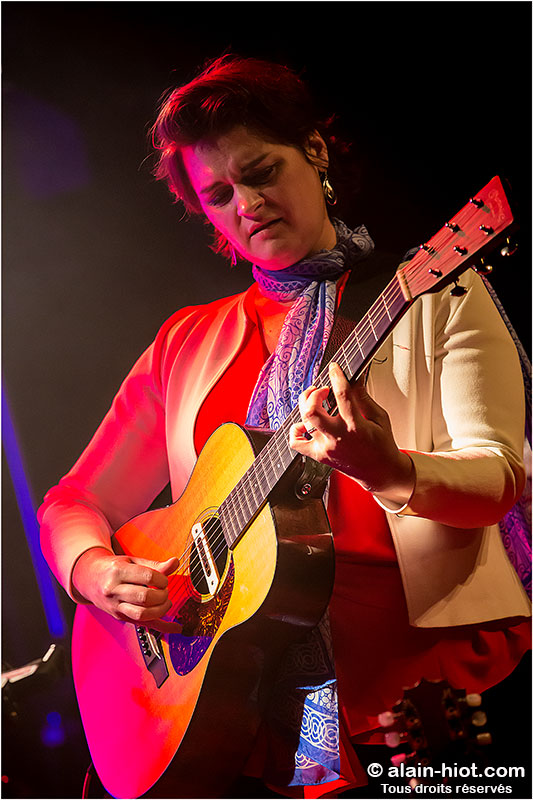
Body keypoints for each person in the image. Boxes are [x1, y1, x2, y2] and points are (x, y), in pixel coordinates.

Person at [38, 55, 531, 798]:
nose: (247, 203)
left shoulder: (433, 291)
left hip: (412, 708)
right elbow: (73, 502)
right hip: (239, 714)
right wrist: (95, 574)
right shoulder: (186, 341)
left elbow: (500, 478)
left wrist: (390, 471)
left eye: (261, 171)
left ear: (316, 150)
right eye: (218, 194)